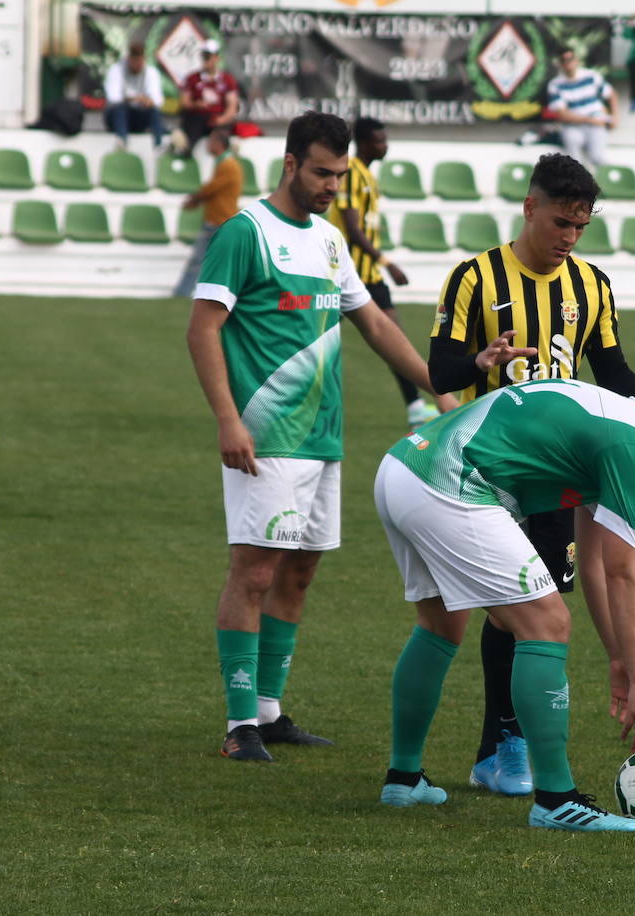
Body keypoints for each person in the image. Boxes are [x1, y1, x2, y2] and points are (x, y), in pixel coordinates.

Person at [185, 110, 457, 763]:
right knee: (254, 572)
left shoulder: (332, 241)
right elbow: (202, 329)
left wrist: (442, 390)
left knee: (300, 571)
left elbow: (377, 325)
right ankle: (239, 724)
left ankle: (269, 712)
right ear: (290, 164)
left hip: (323, 438)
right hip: (265, 437)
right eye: (321, 172)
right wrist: (227, 419)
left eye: (339, 174)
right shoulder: (245, 232)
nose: (332, 185)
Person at [374, 371, 635, 830]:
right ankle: (556, 800)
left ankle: (403, 779)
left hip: (402, 467)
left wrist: (619, 658)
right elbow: (623, 573)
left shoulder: (610, 421)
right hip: (448, 482)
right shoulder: (629, 447)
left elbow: (593, 564)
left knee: (440, 624)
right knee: (547, 623)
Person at [428, 152, 635, 798]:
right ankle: (505, 743)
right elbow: (440, 370)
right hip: (487, 473)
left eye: (581, 226)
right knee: (510, 611)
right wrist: (480, 360)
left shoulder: (592, 285)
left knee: (535, 606)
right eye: (561, 222)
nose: (570, 237)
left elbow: (612, 371)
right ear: (530, 208)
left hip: (556, 477)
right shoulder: (474, 278)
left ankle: (499, 747)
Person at [327, 117, 447, 430]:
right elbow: (353, 229)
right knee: (317, 338)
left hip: (368, 275)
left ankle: (416, 408)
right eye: (379, 141)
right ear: (365, 143)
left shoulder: (366, 174)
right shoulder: (351, 173)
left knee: (394, 338)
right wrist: (386, 262)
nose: (385, 146)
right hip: (350, 273)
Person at [172, 127, 241, 299]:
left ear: (218, 144)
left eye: (210, 141)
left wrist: (195, 198)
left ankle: (183, 292)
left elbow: (212, 188)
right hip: (220, 220)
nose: (208, 145)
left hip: (219, 221)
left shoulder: (228, 165)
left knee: (199, 260)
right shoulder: (225, 163)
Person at [544, 48, 617, 167]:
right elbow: (562, 115)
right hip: (573, 125)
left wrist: (615, 118)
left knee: (597, 158)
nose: (568, 63)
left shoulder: (591, 76)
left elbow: (611, 95)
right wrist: (588, 120)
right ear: (560, 64)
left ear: (576, 60)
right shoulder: (555, 84)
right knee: (573, 162)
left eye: (570, 59)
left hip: (596, 121)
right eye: (564, 60)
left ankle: (605, 177)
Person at [177, 40, 239, 156]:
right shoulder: (192, 78)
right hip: (198, 118)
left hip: (218, 119)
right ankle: (186, 152)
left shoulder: (227, 79)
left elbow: (232, 107)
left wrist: (221, 119)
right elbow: (184, 102)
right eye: (204, 56)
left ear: (217, 58)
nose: (206, 60)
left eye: (209, 56)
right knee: (191, 129)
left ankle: (226, 156)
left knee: (223, 135)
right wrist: (196, 104)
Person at [104, 42, 167, 150]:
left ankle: (159, 145)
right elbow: (113, 98)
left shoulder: (150, 72)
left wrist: (148, 101)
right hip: (118, 117)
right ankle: (122, 143)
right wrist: (135, 98)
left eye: (140, 60)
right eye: (135, 60)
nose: (138, 64)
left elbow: (158, 100)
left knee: (154, 111)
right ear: (129, 59)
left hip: (139, 116)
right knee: (119, 109)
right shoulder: (116, 69)